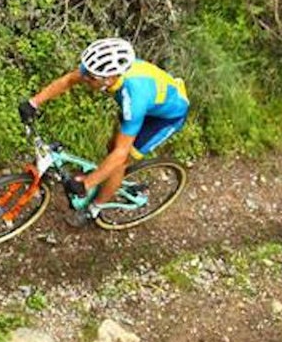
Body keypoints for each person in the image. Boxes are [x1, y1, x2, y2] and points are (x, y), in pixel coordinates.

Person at [18, 37, 189, 222]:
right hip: (148, 103)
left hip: (164, 118)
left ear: (109, 79)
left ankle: (94, 209)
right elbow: (69, 80)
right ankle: (110, 182)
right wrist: (34, 102)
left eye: (91, 78)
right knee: (111, 149)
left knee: (119, 161)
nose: (85, 79)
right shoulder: (100, 72)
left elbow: (121, 154)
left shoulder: (133, 98)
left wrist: (87, 184)